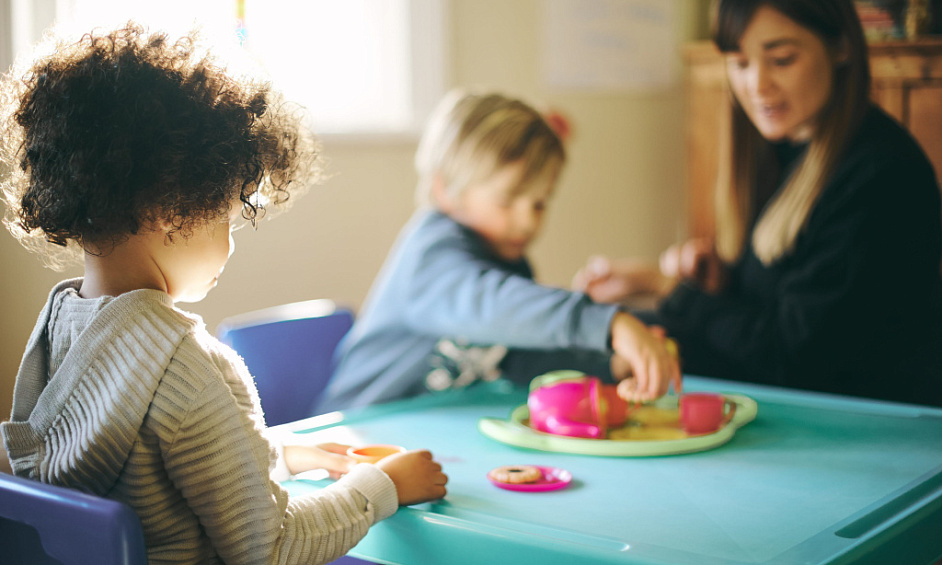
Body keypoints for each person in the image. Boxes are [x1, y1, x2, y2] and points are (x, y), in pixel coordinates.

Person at [0, 24, 447, 564]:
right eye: (228, 223)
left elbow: (156, 475)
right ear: (170, 211)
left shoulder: (56, 331)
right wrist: (382, 486)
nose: (231, 247)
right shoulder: (189, 368)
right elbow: (273, 546)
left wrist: (278, 456)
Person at [573, 0, 942, 406]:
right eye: (740, 63)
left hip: (859, 418)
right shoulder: (784, 150)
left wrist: (665, 287)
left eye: (781, 60)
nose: (757, 85)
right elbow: (783, 300)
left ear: (841, 48)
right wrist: (723, 283)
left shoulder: (881, 175)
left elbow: (793, 356)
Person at [317, 89, 681, 412]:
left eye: (539, 203)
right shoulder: (431, 258)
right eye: (507, 200)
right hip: (358, 432)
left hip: (433, 430)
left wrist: (609, 364)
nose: (527, 221)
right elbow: (494, 302)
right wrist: (608, 323)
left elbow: (520, 358)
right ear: (446, 190)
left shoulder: (507, 261)